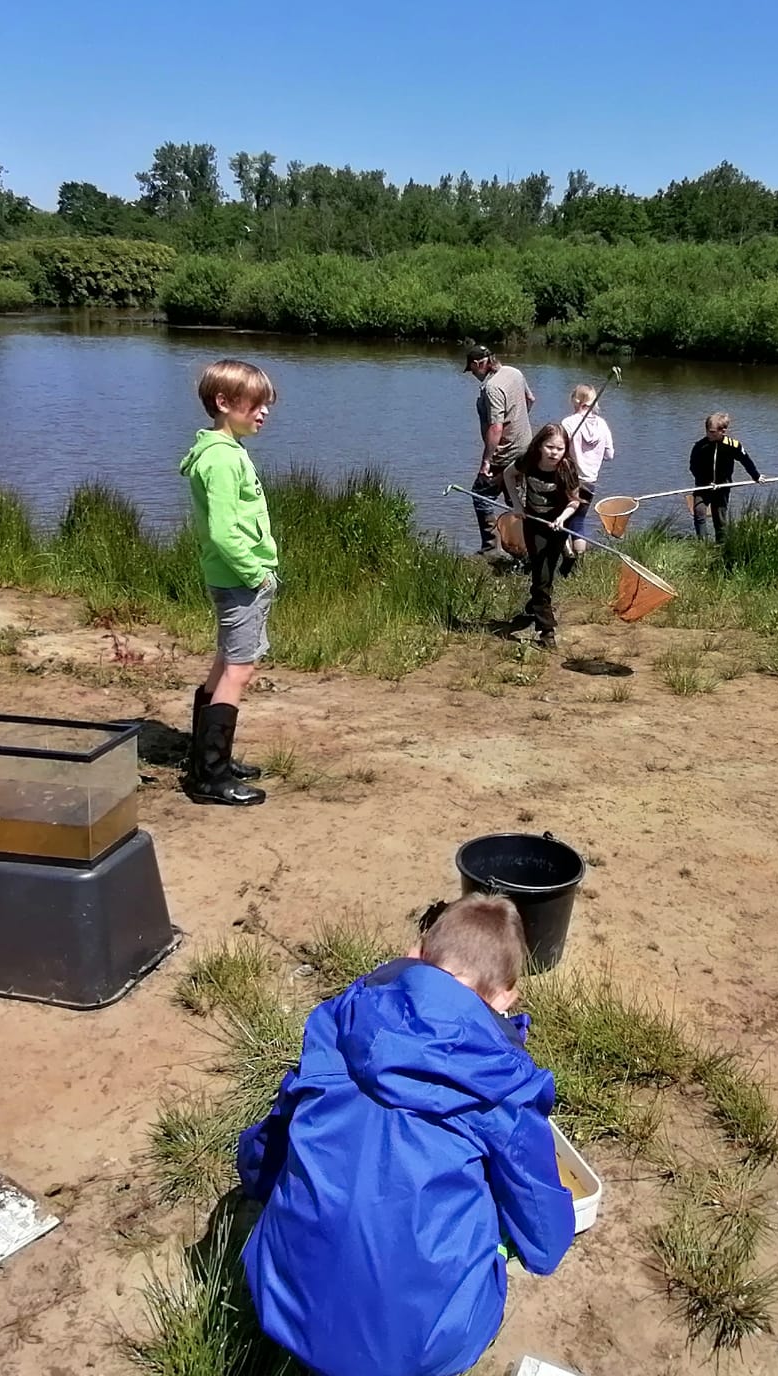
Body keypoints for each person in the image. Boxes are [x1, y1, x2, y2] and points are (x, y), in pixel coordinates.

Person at [236, 895, 575, 1376]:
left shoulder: (338, 1023)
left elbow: (275, 1135)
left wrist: (257, 1182)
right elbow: (545, 1244)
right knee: (498, 1212)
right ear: (505, 997)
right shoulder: (503, 1086)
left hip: (284, 1299)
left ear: (416, 955)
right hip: (418, 1351)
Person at [180, 359, 279, 807]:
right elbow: (223, 532)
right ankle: (211, 778)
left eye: (266, 406)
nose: (263, 413)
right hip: (239, 581)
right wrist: (255, 573)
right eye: (255, 404)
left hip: (236, 579)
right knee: (239, 669)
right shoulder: (220, 459)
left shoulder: (226, 449)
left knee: (225, 663)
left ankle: (206, 758)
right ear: (224, 403)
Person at [499, 423, 583, 650]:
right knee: (540, 573)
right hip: (533, 524)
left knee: (546, 574)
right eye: (550, 447)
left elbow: (575, 501)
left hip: (556, 527)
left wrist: (562, 518)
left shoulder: (566, 468)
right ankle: (547, 631)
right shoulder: (528, 461)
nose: (554, 453)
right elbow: (508, 475)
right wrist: (516, 504)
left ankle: (535, 604)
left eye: (560, 448)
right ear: (539, 445)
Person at [465, 345, 535, 565]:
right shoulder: (514, 372)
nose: (474, 375)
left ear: (479, 364)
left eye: (472, 370)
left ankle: (491, 548)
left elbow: (496, 427)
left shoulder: (492, 387)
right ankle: (526, 549)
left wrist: (486, 460)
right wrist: (517, 425)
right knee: (518, 501)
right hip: (526, 448)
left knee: (481, 495)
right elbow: (530, 400)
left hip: (504, 455)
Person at [557, 384, 613, 560]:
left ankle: (567, 556)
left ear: (576, 400)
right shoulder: (602, 425)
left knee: (561, 518)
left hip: (569, 479)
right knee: (579, 521)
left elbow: (559, 450)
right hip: (590, 481)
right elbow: (609, 455)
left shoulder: (569, 423)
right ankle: (579, 560)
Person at [687, 411, 761, 542]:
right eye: (708, 431)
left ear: (723, 431)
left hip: (723, 486)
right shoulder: (700, 446)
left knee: (719, 516)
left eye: (713, 432)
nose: (709, 434)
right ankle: (702, 544)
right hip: (703, 485)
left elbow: (746, 461)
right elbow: (693, 466)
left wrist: (756, 476)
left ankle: (721, 544)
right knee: (699, 512)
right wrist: (704, 481)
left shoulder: (733, 445)